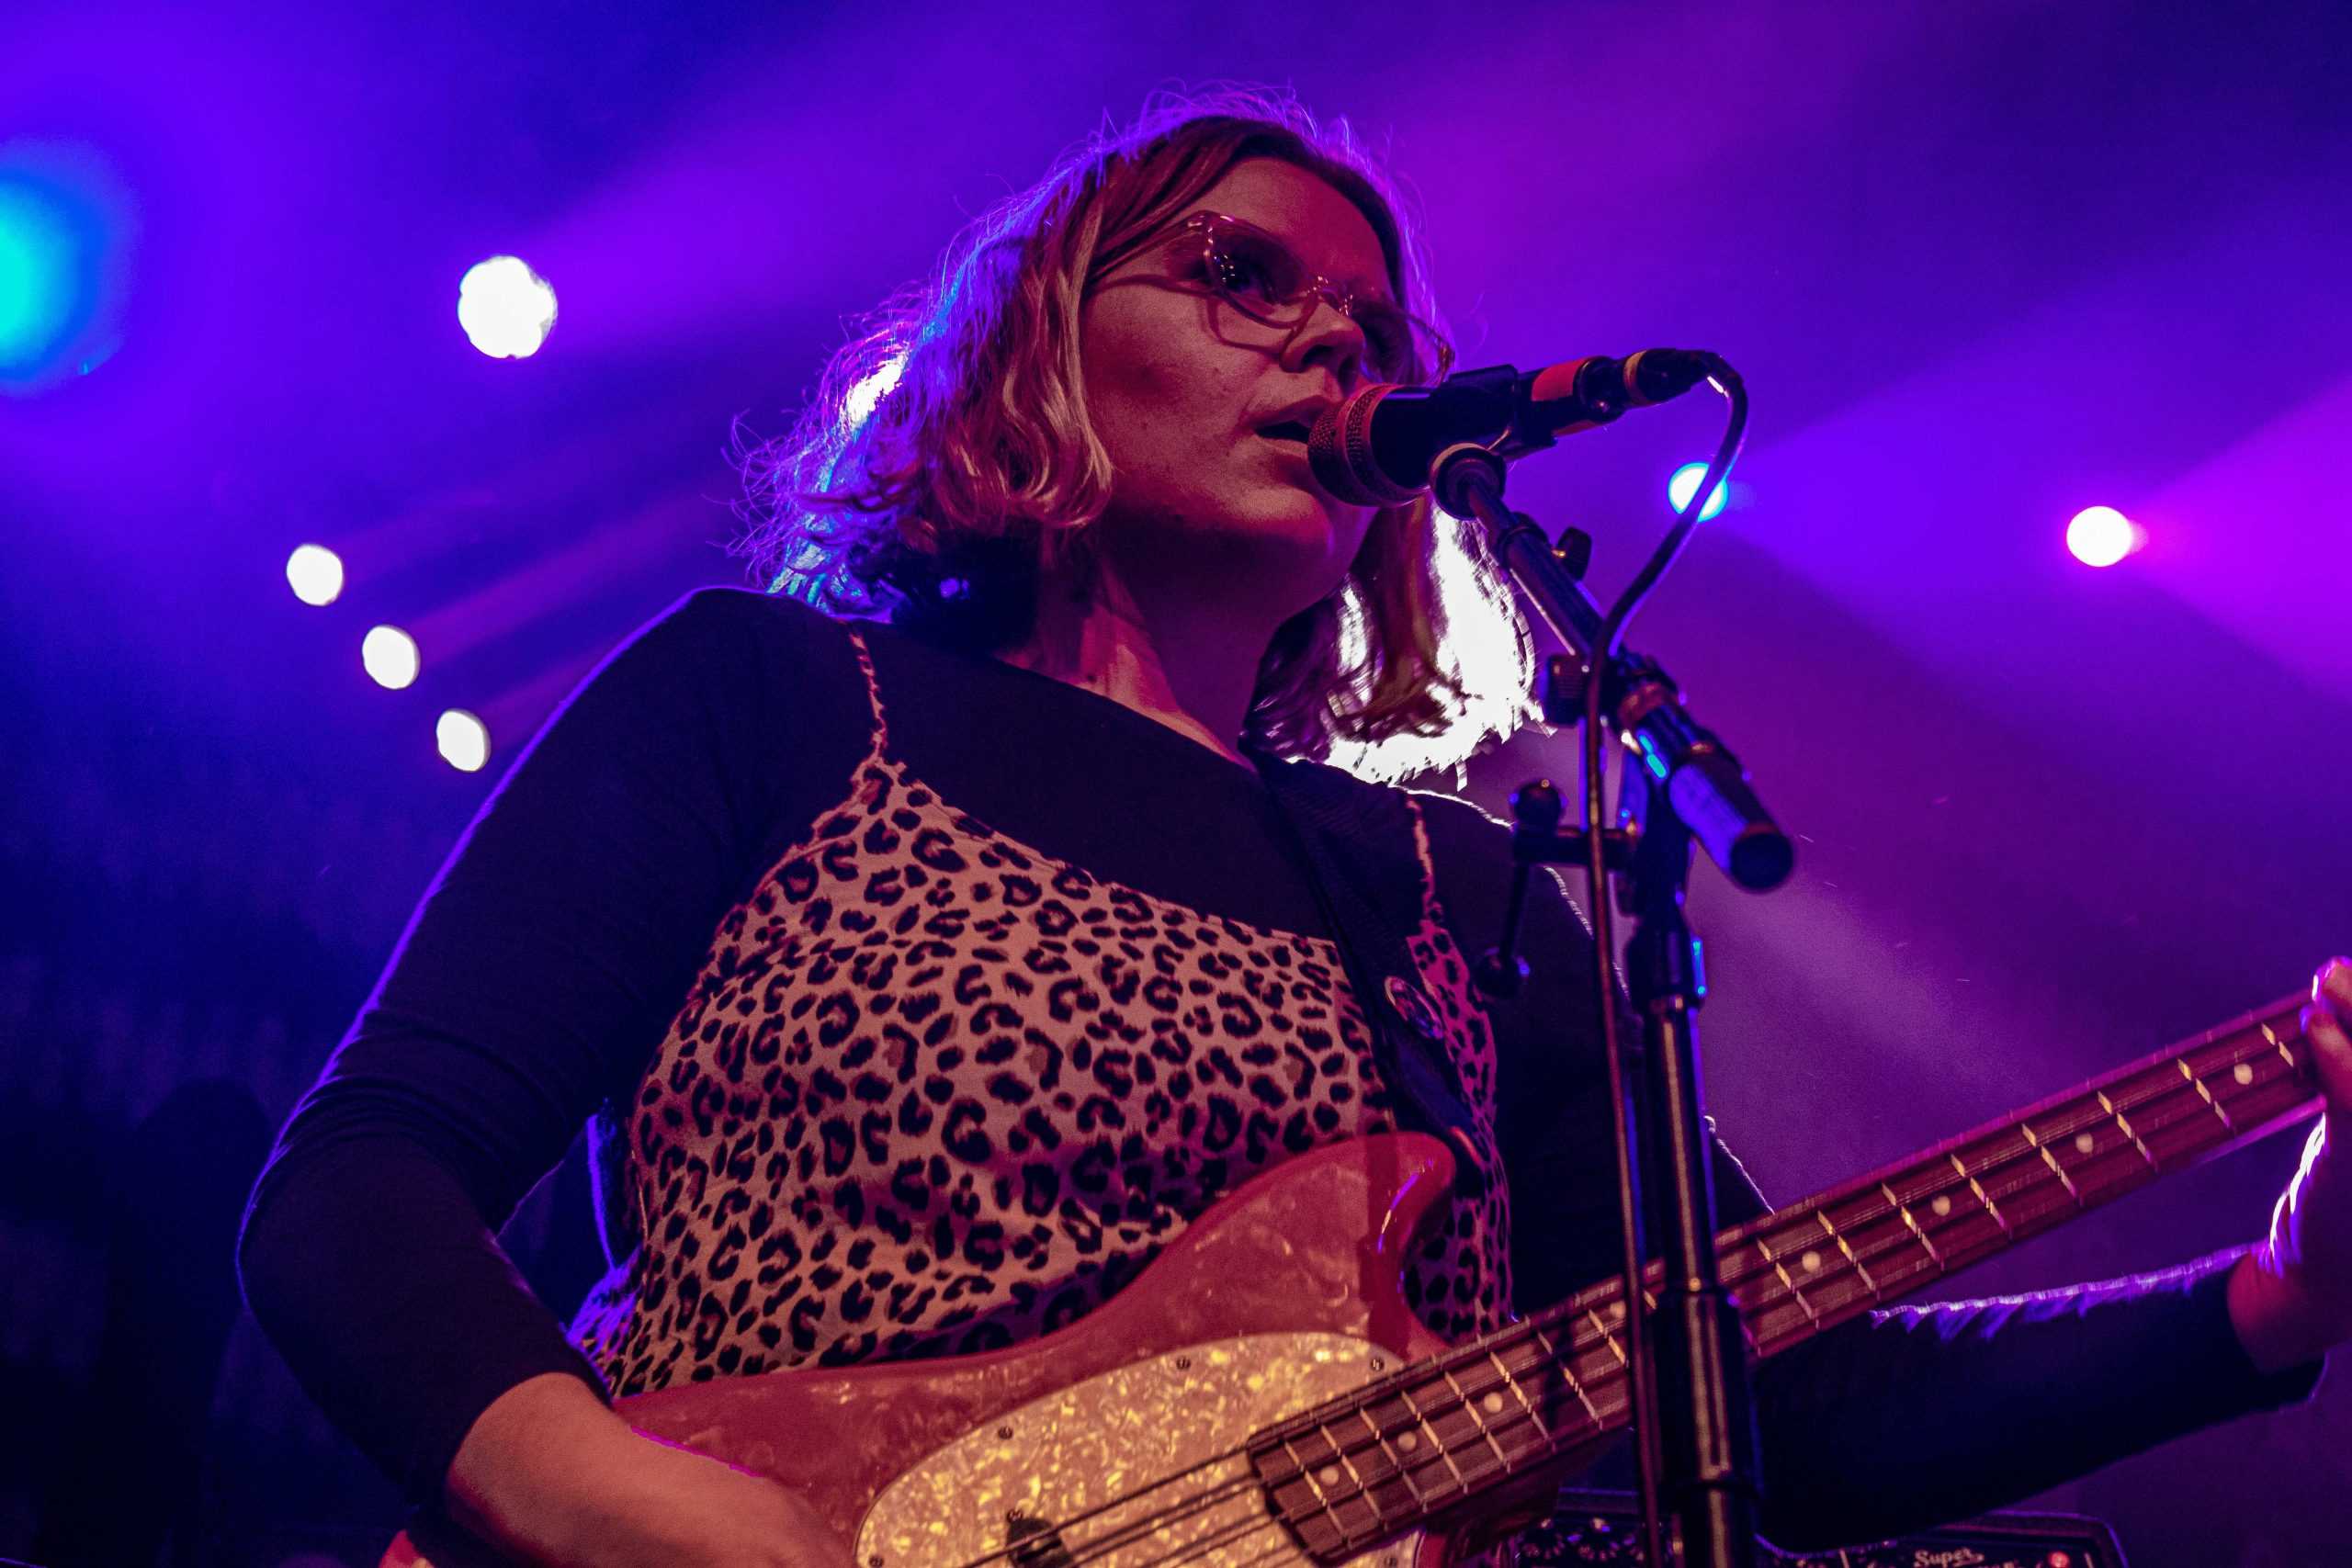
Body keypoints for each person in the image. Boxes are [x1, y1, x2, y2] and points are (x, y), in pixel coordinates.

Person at [236, 88, 2351, 1568]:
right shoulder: (776, 700)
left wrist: (2274, 1292)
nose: (1331, 342)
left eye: (1369, 329)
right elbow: (359, 1179)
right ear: (1038, 345)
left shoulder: (1452, 899)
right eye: (1240, 277)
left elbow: (1777, 1399)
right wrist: (605, 1496)